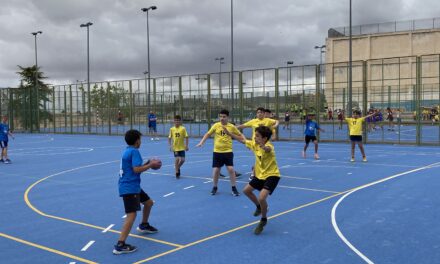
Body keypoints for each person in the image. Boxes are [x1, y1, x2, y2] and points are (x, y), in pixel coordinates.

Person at [223, 125, 280, 235]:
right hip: (260, 175)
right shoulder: (254, 144)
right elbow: (242, 140)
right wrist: (230, 134)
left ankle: (263, 220)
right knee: (246, 191)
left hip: (272, 175)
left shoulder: (269, 147)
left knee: (262, 197)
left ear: (264, 138)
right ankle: (259, 207)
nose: (254, 137)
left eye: (257, 136)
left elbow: (268, 150)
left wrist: (263, 146)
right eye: (254, 135)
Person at [113, 129, 160, 255]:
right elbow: (136, 170)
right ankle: (120, 244)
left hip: (132, 186)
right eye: (140, 139)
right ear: (137, 140)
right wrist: (150, 165)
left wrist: (148, 163)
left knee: (149, 203)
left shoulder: (127, 150)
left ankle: (144, 225)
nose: (141, 141)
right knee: (131, 215)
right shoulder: (134, 151)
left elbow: (135, 167)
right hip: (130, 188)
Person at [196, 109, 243, 196]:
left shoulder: (231, 127)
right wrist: (201, 142)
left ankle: (233, 188)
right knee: (216, 170)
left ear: (228, 117)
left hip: (228, 151)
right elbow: (208, 134)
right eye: (220, 116)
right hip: (217, 152)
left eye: (224, 117)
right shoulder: (216, 125)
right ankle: (215, 187)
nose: (222, 118)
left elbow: (240, 136)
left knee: (231, 169)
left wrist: (245, 142)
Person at [237, 107, 279, 180]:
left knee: (260, 158)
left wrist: (275, 125)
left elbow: (277, 121)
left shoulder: (268, 120)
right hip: (255, 143)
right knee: (258, 158)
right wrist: (233, 127)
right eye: (258, 112)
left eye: (261, 112)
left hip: (264, 143)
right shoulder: (253, 121)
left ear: (264, 113)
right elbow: (243, 125)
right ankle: (255, 173)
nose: (259, 114)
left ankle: (256, 172)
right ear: (256, 114)